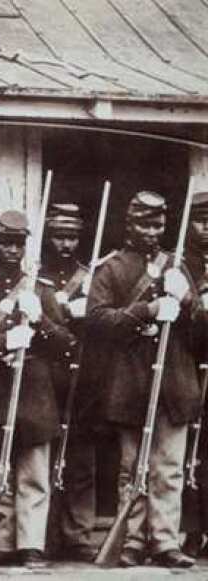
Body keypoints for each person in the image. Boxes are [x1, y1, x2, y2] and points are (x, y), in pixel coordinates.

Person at [0, 210, 75, 568]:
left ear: (25, 247)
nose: (11, 250)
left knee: (34, 473)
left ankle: (32, 544)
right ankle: (3, 542)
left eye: (18, 244)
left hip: (35, 394)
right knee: (1, 469)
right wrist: (4, 340)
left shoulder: (40, 291)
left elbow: (68, 344)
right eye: (5, 242)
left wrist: (40, 320)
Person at [89, 191, 203, 568]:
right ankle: (132, 541)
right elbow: (98, 321)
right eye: (144, 223)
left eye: (158, 224)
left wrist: (187, 303)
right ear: (129, 224)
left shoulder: (179, 267)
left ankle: (165, 542)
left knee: (168, 469)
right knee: (132, 467)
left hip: (174, 382)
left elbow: (201, 335)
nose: (152, 231)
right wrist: (149, 309)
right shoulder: (111, 268)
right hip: (131, 382)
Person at [37, 203, 98, 562]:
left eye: (72, 237)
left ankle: (79, 534)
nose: (66, 243)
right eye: (60, 236)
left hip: (81, 375)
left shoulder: (89, 277)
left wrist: (85, 310)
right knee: (42, 456)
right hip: (45, 375)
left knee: (80, 459)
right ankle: (42, 534)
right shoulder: (34, 276)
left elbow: (104, 322)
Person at [181, 191, 208, 557]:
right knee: (187, 454)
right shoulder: (179, 267)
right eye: (202, 221)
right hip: (187, 369)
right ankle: (189, 531)